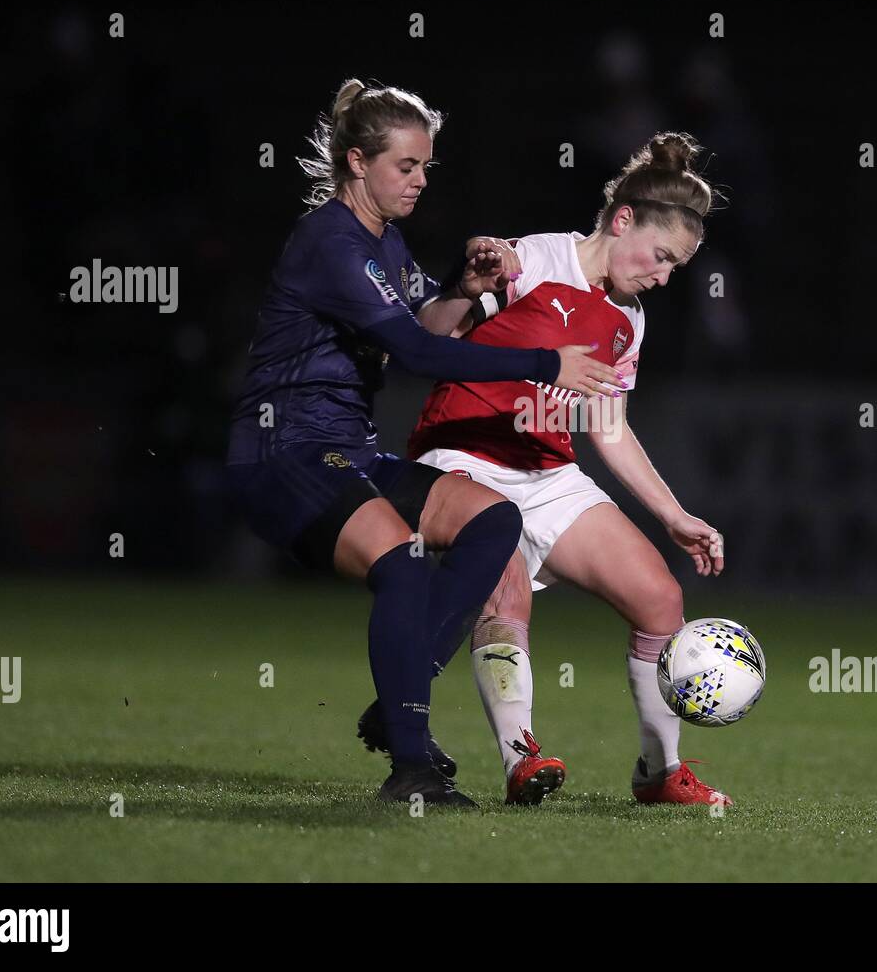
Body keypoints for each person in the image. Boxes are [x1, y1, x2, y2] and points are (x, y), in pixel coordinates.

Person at [224, 78, 622, 807]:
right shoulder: (329, 241)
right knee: (405, 569)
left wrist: (464, 289)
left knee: (496, 523)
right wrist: (544, 363)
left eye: (426, 166)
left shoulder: (387, 241)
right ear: (356, 162)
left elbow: (429, 327)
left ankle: (399, 696)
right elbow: (416, 354)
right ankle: (410, 769)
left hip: (346, 448)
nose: (419, 179)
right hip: (284, 452)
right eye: (405, 165)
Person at [405, 132, 731, 806]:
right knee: (506, 598)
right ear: (622, 221)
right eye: (662, 256)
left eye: (677, 266)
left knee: (659, 599)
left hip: (548, 474)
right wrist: (463, 287)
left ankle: (659, 771)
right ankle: (519, 757)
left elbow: (607, 426)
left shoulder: (628, 317)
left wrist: (673, 513)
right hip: (467, 460)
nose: (664, 276)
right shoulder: (530, 259)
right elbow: (424, 339)